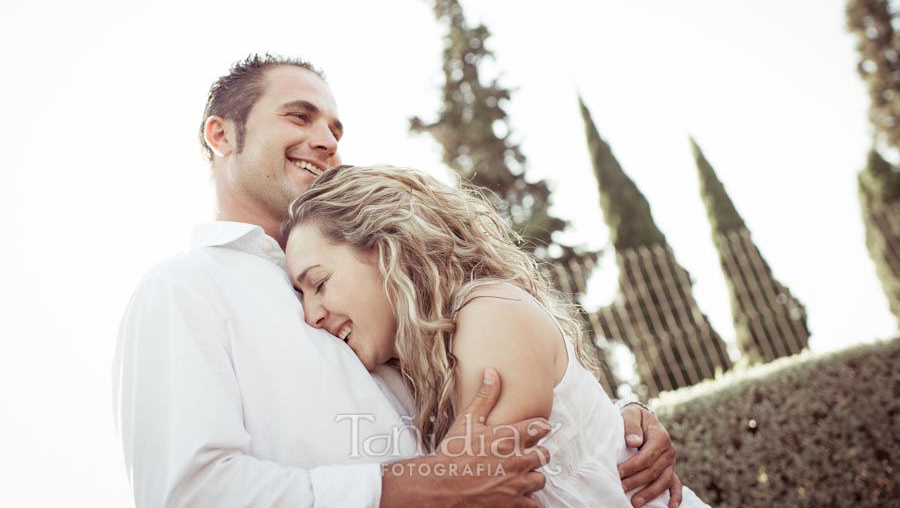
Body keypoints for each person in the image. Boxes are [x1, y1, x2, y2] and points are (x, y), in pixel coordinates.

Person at [113, 54, 683, 507]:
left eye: (335, 127)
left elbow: (504, 398)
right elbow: (185, 495)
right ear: (220, 136)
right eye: (299, 115)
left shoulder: (371, 285)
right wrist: (415, 489)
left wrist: (612, 427)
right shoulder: (183, 289)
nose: (327, 138)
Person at [282, 165, 710, 508]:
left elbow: (479, 497)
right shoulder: (431, 355)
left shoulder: (489, 313)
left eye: (318, 284)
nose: (310, 314)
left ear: (385, 248)